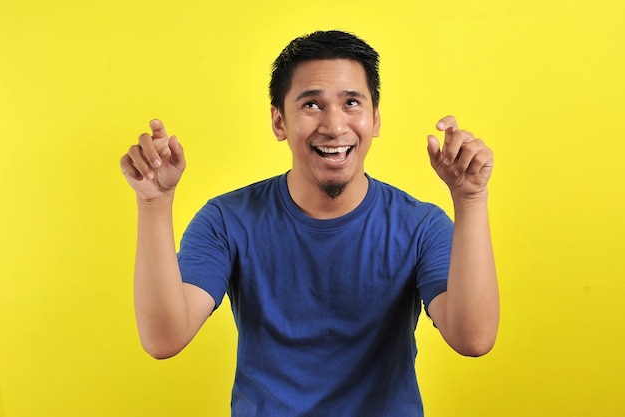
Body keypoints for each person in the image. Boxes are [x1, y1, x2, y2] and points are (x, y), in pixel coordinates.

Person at [120, 30, 499, 416]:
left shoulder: (420, 226)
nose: (334, 126)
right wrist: (154, 202)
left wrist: (470, 199)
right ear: (279, 121)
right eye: (312, 105)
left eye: (352, 102)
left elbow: (474, 338)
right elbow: (163, 338)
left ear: (376, 118)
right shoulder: (226, 220)